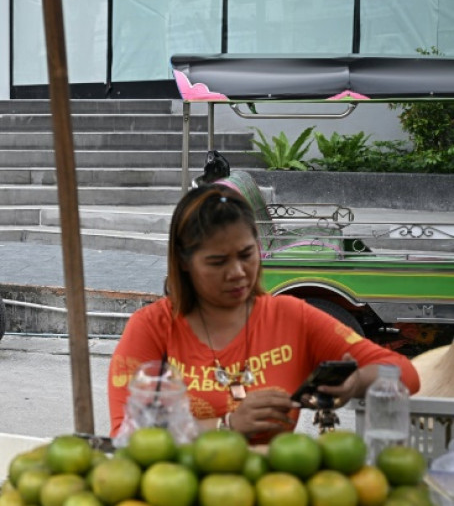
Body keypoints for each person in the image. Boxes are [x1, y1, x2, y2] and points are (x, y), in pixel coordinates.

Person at [108, 183, 420, 444]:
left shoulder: (291, 317)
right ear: (184, 262)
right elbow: (125, 436)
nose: (238, 272)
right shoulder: (152, 327)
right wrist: (227, 425)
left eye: (247, 254)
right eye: (218, 262)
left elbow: (405, 373)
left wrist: (355, 383)